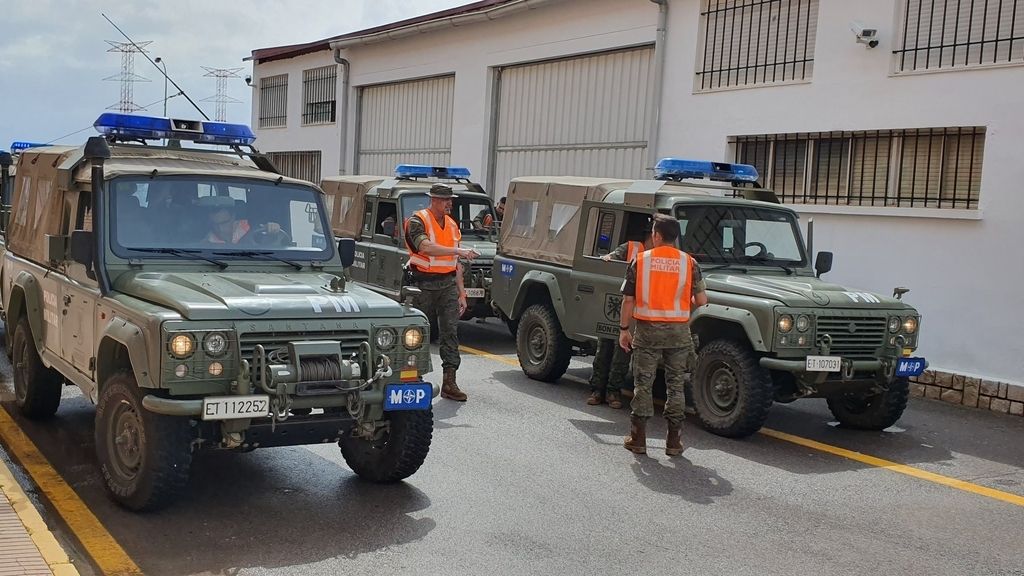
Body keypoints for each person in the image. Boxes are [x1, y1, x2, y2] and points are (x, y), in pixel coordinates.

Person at [618, 214, 707, 456]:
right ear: (675, 236)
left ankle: (638, 438)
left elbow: (628, 300)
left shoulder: (641, 260)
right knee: (676, 386)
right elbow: (701, 300)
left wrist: (624, 330)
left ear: (657, 235)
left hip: (647, 333)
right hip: (679, 334)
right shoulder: (689, 263)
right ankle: (674, 441)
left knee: (643, 385)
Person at [405, 183, 480, 401]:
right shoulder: (418, 220)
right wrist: (459, 250)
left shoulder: (451, 224)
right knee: (416, 333)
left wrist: (462, 293)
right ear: (434, 200)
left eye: (450, 199)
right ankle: (412, 377)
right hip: (422, 285)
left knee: (450, 333)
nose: (450, 203)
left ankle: (449, 382)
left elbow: (455, 263)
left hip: (447, 285)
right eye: (446, 200)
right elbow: (425, 247)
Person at [587, 231, 653, 409]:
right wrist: (607, 259)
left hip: (633, 311)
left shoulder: (655, 257)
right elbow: (612, 258)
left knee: (623, 353)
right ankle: (596, 390)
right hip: (614, 302)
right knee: (604, 349)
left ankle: (613, 391)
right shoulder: (631, 247)